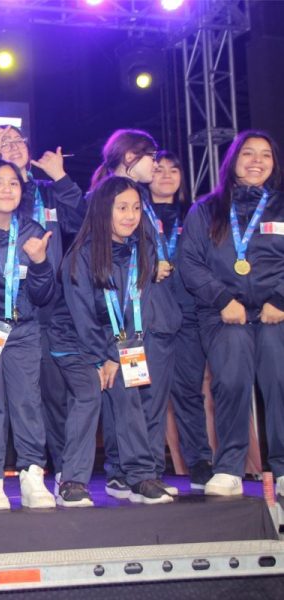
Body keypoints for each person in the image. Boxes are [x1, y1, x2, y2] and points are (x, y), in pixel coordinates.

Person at [180, 130, 284, 497]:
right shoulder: (206, 208)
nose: (257, 161)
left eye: (266, 155)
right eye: (248, 154)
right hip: (223, 313)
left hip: (276, 312)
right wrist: (223, 299)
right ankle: (229, 467)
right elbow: (189, 262)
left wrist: (281, 300)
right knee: (232, 381)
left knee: (280, 380)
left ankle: (283, 468)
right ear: (233, 160)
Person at [0, 125, 85, 488]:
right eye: (2, 141)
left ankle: (60, 476)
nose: (11, 145)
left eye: (17, 140)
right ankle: (0, 473)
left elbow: (81, 221)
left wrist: (60, 177)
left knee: (49, 399)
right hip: (6, 314)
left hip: (53, 312)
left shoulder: (47, 191)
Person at [63, 175, 173, 504]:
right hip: (77, 344)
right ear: (101, 210)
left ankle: (139, 475)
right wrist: (103, 358)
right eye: (121, 207)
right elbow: (82, 316)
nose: (130, 215)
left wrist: (116, 355)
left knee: (129, 389)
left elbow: (136, 308)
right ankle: (72, 481)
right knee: (89, 395)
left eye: (136, 208)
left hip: (119, 345)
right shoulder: (81, 255)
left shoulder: (144, 250)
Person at [93, 129, 182, 499]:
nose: (157, 164)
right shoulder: (105, 197)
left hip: (155, 316)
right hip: (124, 317)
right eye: (152, 157)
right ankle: (125, 472)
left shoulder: (142, 199)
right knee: (126, 402)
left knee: (150, 400)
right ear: (131, 157)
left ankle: (147, 472)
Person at [0, 160, 57, 510]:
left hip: (23, 329)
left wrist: (39, 264)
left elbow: (44, 294)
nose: (7, 189)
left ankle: (32, 474)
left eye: (14, 184)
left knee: (27, 402)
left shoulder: (32, 231)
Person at [150, 151, 214, 489]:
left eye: (174, 170)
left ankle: (201, 461)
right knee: (150, 395)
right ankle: (149, 465)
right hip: (150, 317)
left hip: (188, 314)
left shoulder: (196, 214)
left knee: (189, 392)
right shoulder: (136, 213)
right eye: (158, 170)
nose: (166, 176)